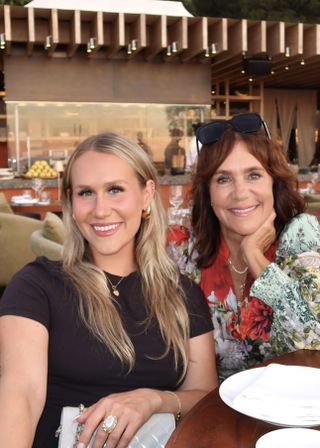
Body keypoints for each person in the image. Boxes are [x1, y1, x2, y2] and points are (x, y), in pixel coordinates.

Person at [0, 132, 217, 447]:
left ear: (146, 196)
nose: (100, 210)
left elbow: (205, 398)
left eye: (115, 190)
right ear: (72, 203)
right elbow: (21, 394)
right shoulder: (37, 286)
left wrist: (155, 400)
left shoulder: (182, 294)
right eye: (86, 192)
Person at [167, 112, 320, 382]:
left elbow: (314, 339)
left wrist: (255, 257)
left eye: (253, 175)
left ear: (273, 182)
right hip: (211, 413)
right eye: (223, 179)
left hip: (290, 416)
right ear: (208, 193)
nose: (240, 193)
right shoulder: (187, 252)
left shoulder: (301, 234)